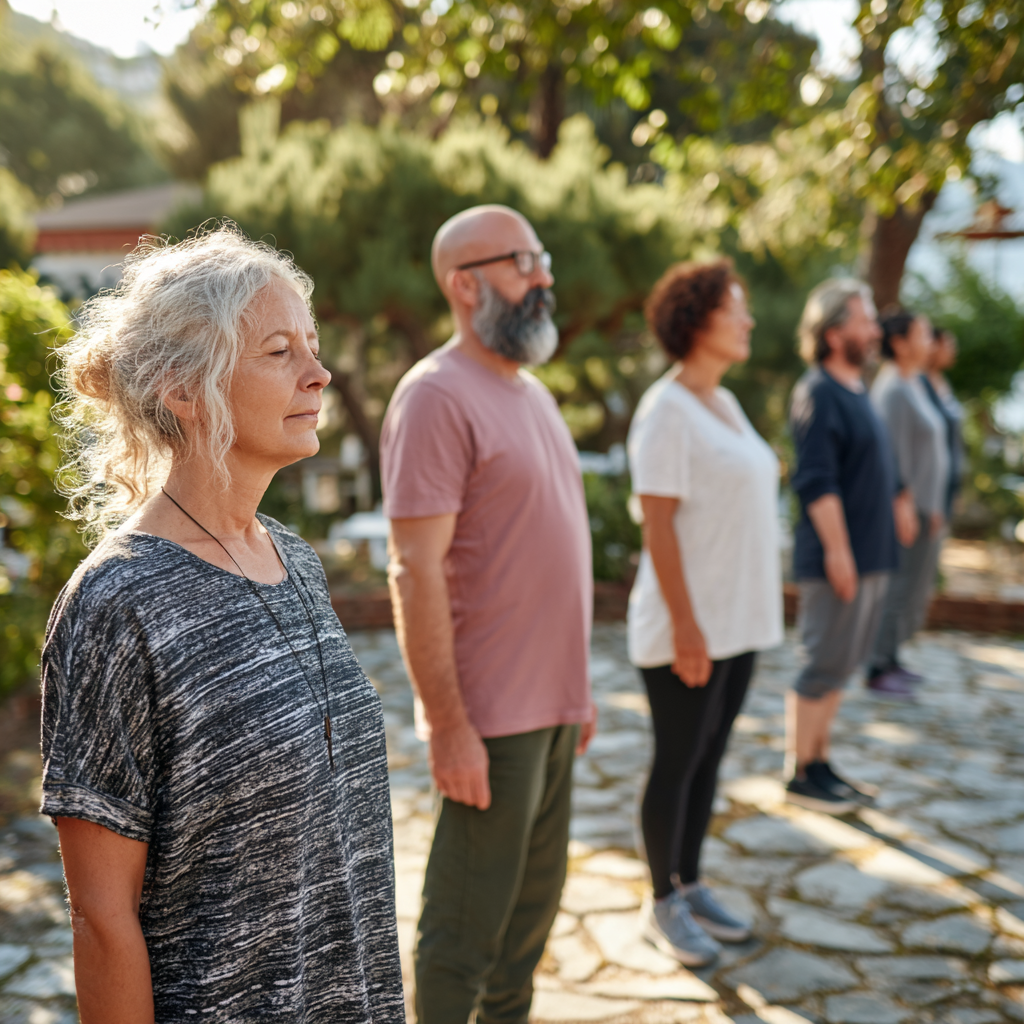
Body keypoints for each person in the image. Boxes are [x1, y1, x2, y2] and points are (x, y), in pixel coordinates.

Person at [41, 226, 404, 1024]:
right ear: (181, 387)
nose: (320, 374)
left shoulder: (295, 559)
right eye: (280, 352)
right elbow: (103, 920)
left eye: (312, 345)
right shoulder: (118, 604)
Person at [380, 204, 595, 1024]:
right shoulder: (434, 396)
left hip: (555, 714)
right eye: (524, 262)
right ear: (464, 284)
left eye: (544, 257)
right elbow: (414, 569)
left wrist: (577, 697)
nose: (544, 276)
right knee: (463, 939)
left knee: (525, 933)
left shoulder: (532, 393)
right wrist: (448, 723)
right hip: (490, 723)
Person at [627, 259, 783, 965]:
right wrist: (688, 628)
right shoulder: (665, 412)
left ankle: (689, 883)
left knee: (709, 760)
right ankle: (662, 900)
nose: (749, 321)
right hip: (687, 628)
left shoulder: (722, 401)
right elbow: (657, 528)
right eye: (737, 309)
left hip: (737, 622)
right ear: (699, 320)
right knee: (678, 761)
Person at [786, 279, 918, 813]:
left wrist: (903, 496)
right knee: (822, 662)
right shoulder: (816, 391)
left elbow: (880, 462)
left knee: (842, 665)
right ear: (834, 331)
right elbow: (816, 480)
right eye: (864, 320)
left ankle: (821, 761)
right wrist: (839, 551)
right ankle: (800, 772)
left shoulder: (859, 391)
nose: (873, 330)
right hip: (838, 558)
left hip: (872, 554)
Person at [866, 307, 949, 695]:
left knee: (912, 585)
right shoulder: (895, 390)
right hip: (908, 507)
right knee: (899, 585)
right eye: (922, 333)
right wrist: (910, 504)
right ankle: (878, 665)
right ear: (898, 343)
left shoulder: (914, 383)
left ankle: (893, 657)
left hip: (924, 505)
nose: (929, 340)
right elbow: (893, 455)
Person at [921, 326, 964, 523]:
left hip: (951, 476)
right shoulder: (919, 384)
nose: (953, 350)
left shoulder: (944, 382)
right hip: (930, 485)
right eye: (948, 345)